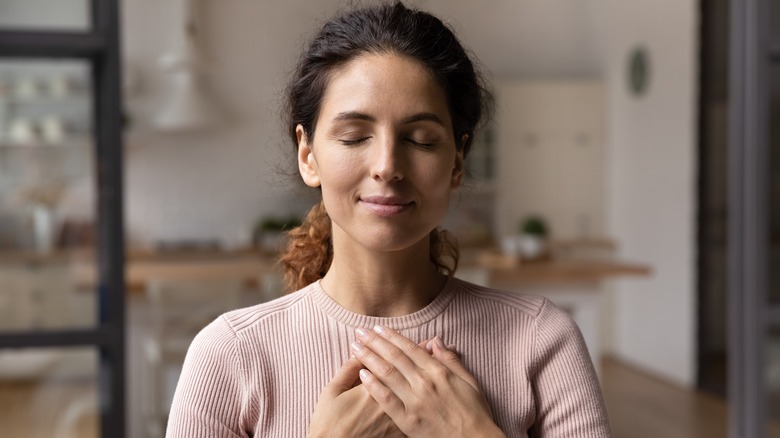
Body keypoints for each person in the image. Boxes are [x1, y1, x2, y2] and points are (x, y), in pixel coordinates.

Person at [166, 2, 612, 437]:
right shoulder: (231, 354)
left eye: (420, 140)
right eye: (355, 136)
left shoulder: (541, 340)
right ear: (308, 155)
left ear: (457, 161)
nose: (387, 165)